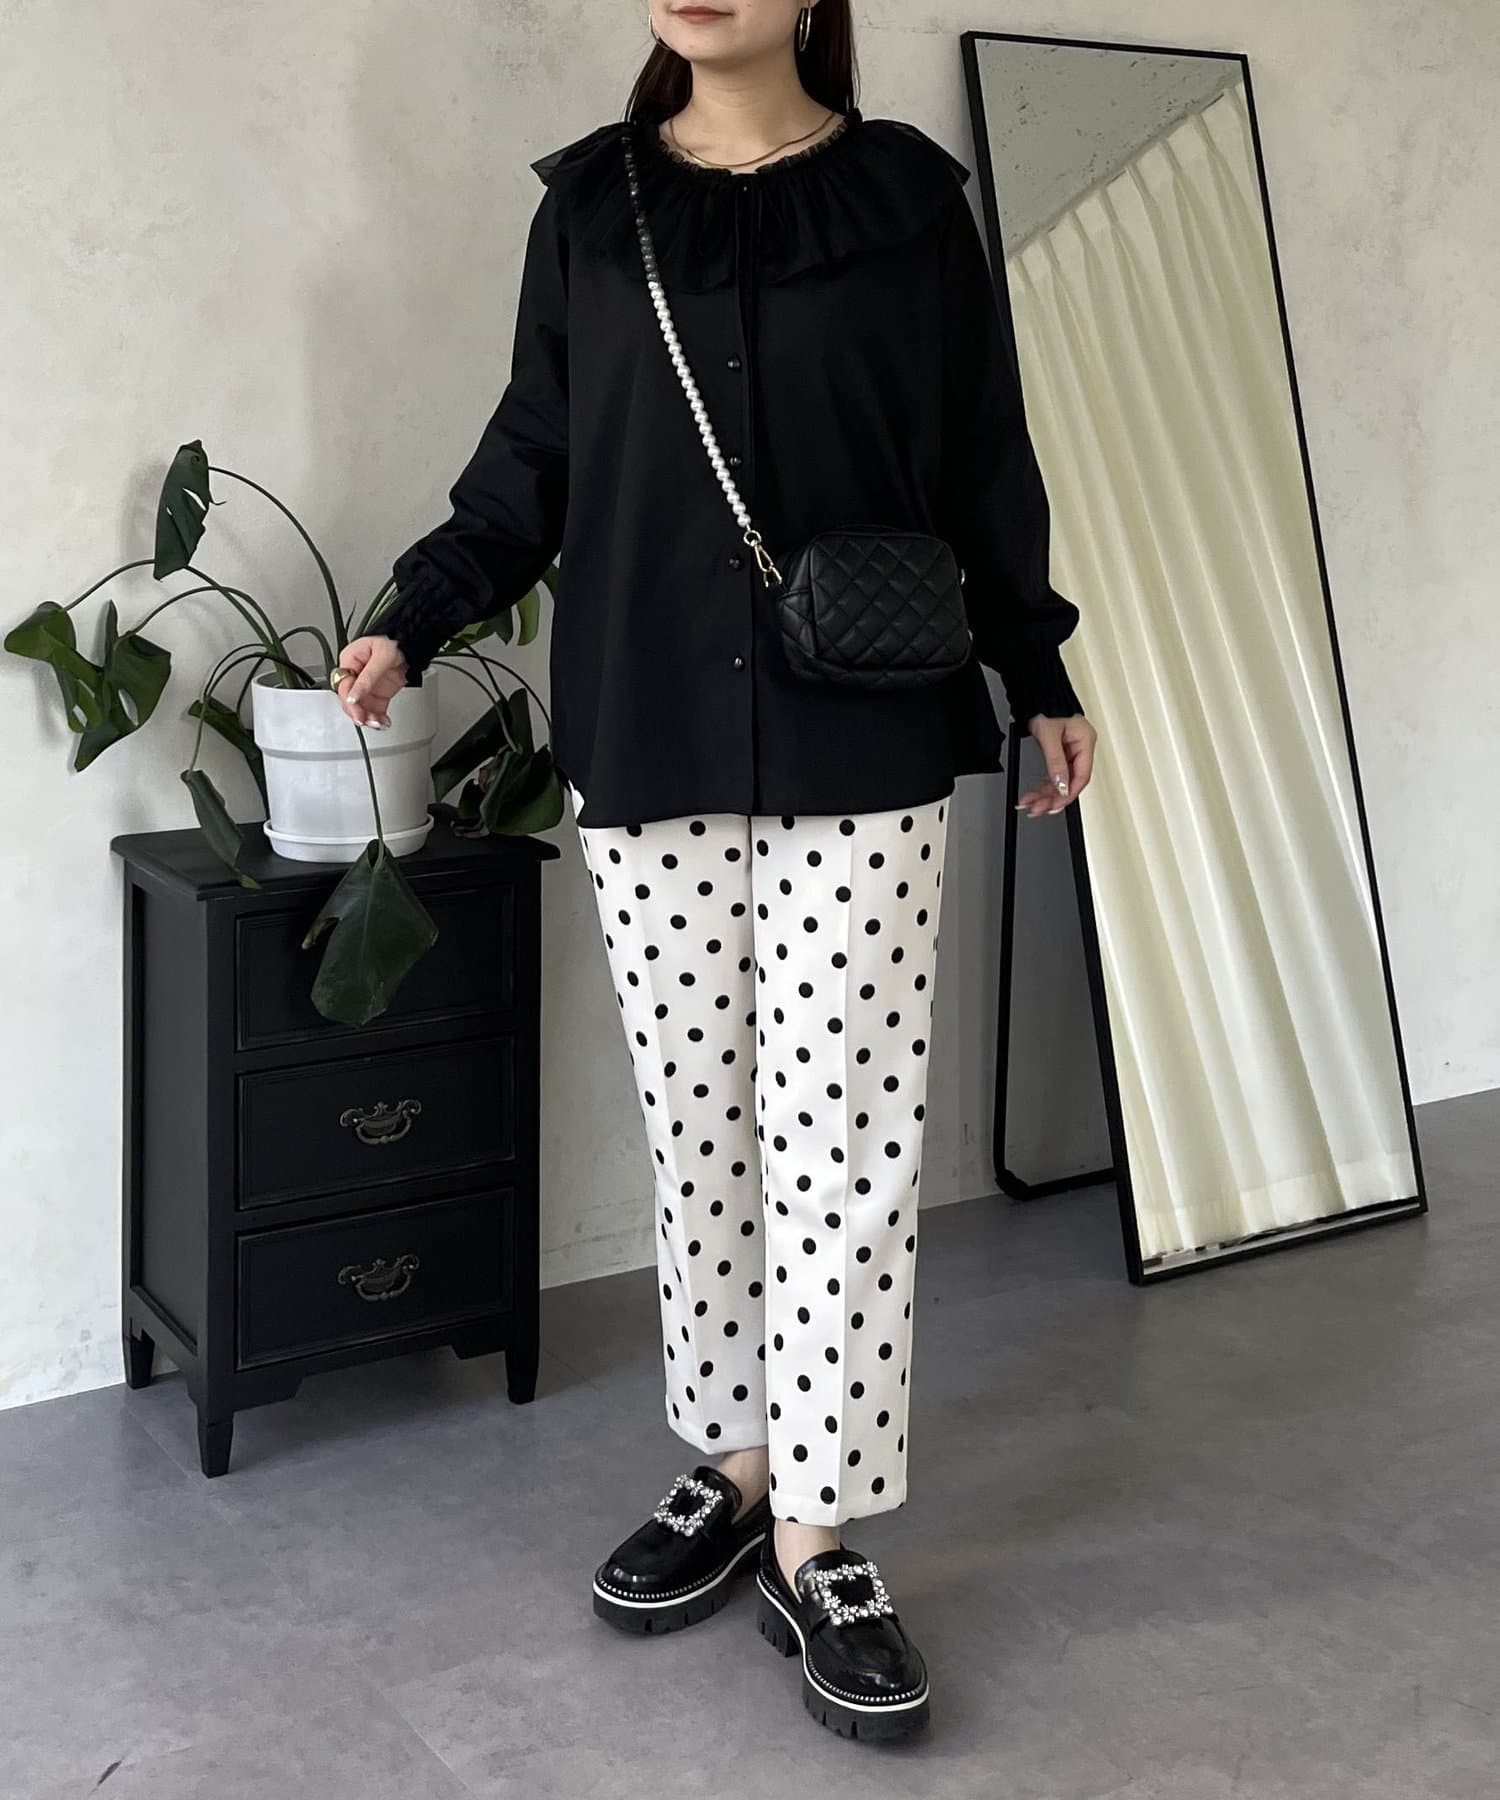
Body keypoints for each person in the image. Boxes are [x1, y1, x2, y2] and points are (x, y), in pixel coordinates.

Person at [332, 0, 1096, 1745]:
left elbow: (983, 456)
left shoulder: (906, 202)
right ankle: (737, 1465)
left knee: (847, 1129)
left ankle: (822, 1535)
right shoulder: (590, 213)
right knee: (703, 1126)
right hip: (650, 722)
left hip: (861, 734)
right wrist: (418, 612)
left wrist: (1038, 666)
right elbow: (534, 457)